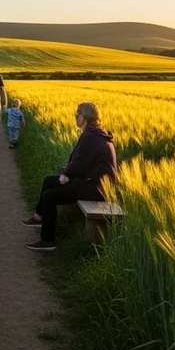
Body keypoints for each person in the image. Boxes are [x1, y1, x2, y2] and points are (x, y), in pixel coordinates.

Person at [22, 102, 116, 251]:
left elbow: (79, 164)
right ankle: (39, 217)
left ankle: (47, 241)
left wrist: (65, 174)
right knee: (49, 180)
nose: (75, 118)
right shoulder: (96, 134)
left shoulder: (91, 137)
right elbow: (78, 162)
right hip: (91, 181)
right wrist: (64, 173)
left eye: (76, 115)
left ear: (84, 117)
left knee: (49, 196)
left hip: (95, 188)